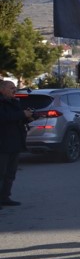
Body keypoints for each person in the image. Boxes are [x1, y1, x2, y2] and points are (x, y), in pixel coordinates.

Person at [0, 80, 33, 208]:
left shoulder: (14, 102)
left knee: (10, 173)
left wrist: (28, 117)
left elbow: (17, 118)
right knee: (1, 173)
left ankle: (5, 197)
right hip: (3, 144)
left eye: (15, 88)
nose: (14, 90)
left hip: (15, 143)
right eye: (11, 88)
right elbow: (3, 117)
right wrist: (21, 114)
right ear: (2, 89)